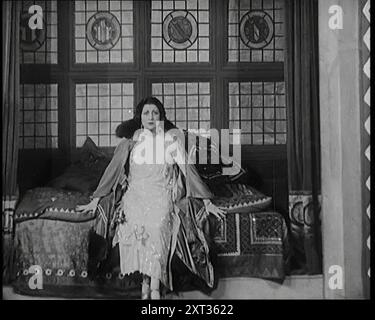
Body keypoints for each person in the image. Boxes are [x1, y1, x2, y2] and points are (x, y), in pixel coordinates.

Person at [76, 97, 225, 299]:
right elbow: (112, 172)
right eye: (146, 113)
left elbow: (188, 171)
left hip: (161, 194)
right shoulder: (129, 143)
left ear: (161, 116)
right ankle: (147, 284)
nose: (151, 117)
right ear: (140, 117)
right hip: (135, 195)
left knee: (157, 226)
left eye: (155, 113)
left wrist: (206, 201)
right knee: (135, 225)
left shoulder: (171, 142)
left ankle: (153, 288)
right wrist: (96, 199)